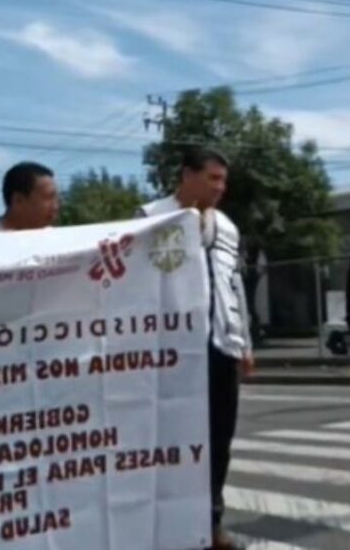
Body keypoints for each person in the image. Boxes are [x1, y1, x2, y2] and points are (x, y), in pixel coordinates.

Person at [137, 148, 254, 550]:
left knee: (217, 442)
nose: (221, 188)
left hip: (221, 345)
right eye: (213, 178)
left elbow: (233, 286)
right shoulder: (149, 218)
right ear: (186, 175)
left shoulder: (226, 227)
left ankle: (210, 525)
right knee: (169, 441)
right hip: (168, 352)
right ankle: (162, 526)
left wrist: (245, 342)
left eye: (224, 180)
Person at [0, 162, 59, 232]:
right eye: (48, 197)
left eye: (56, 198)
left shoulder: (54, 240)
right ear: (18, 200)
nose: (55, 206)